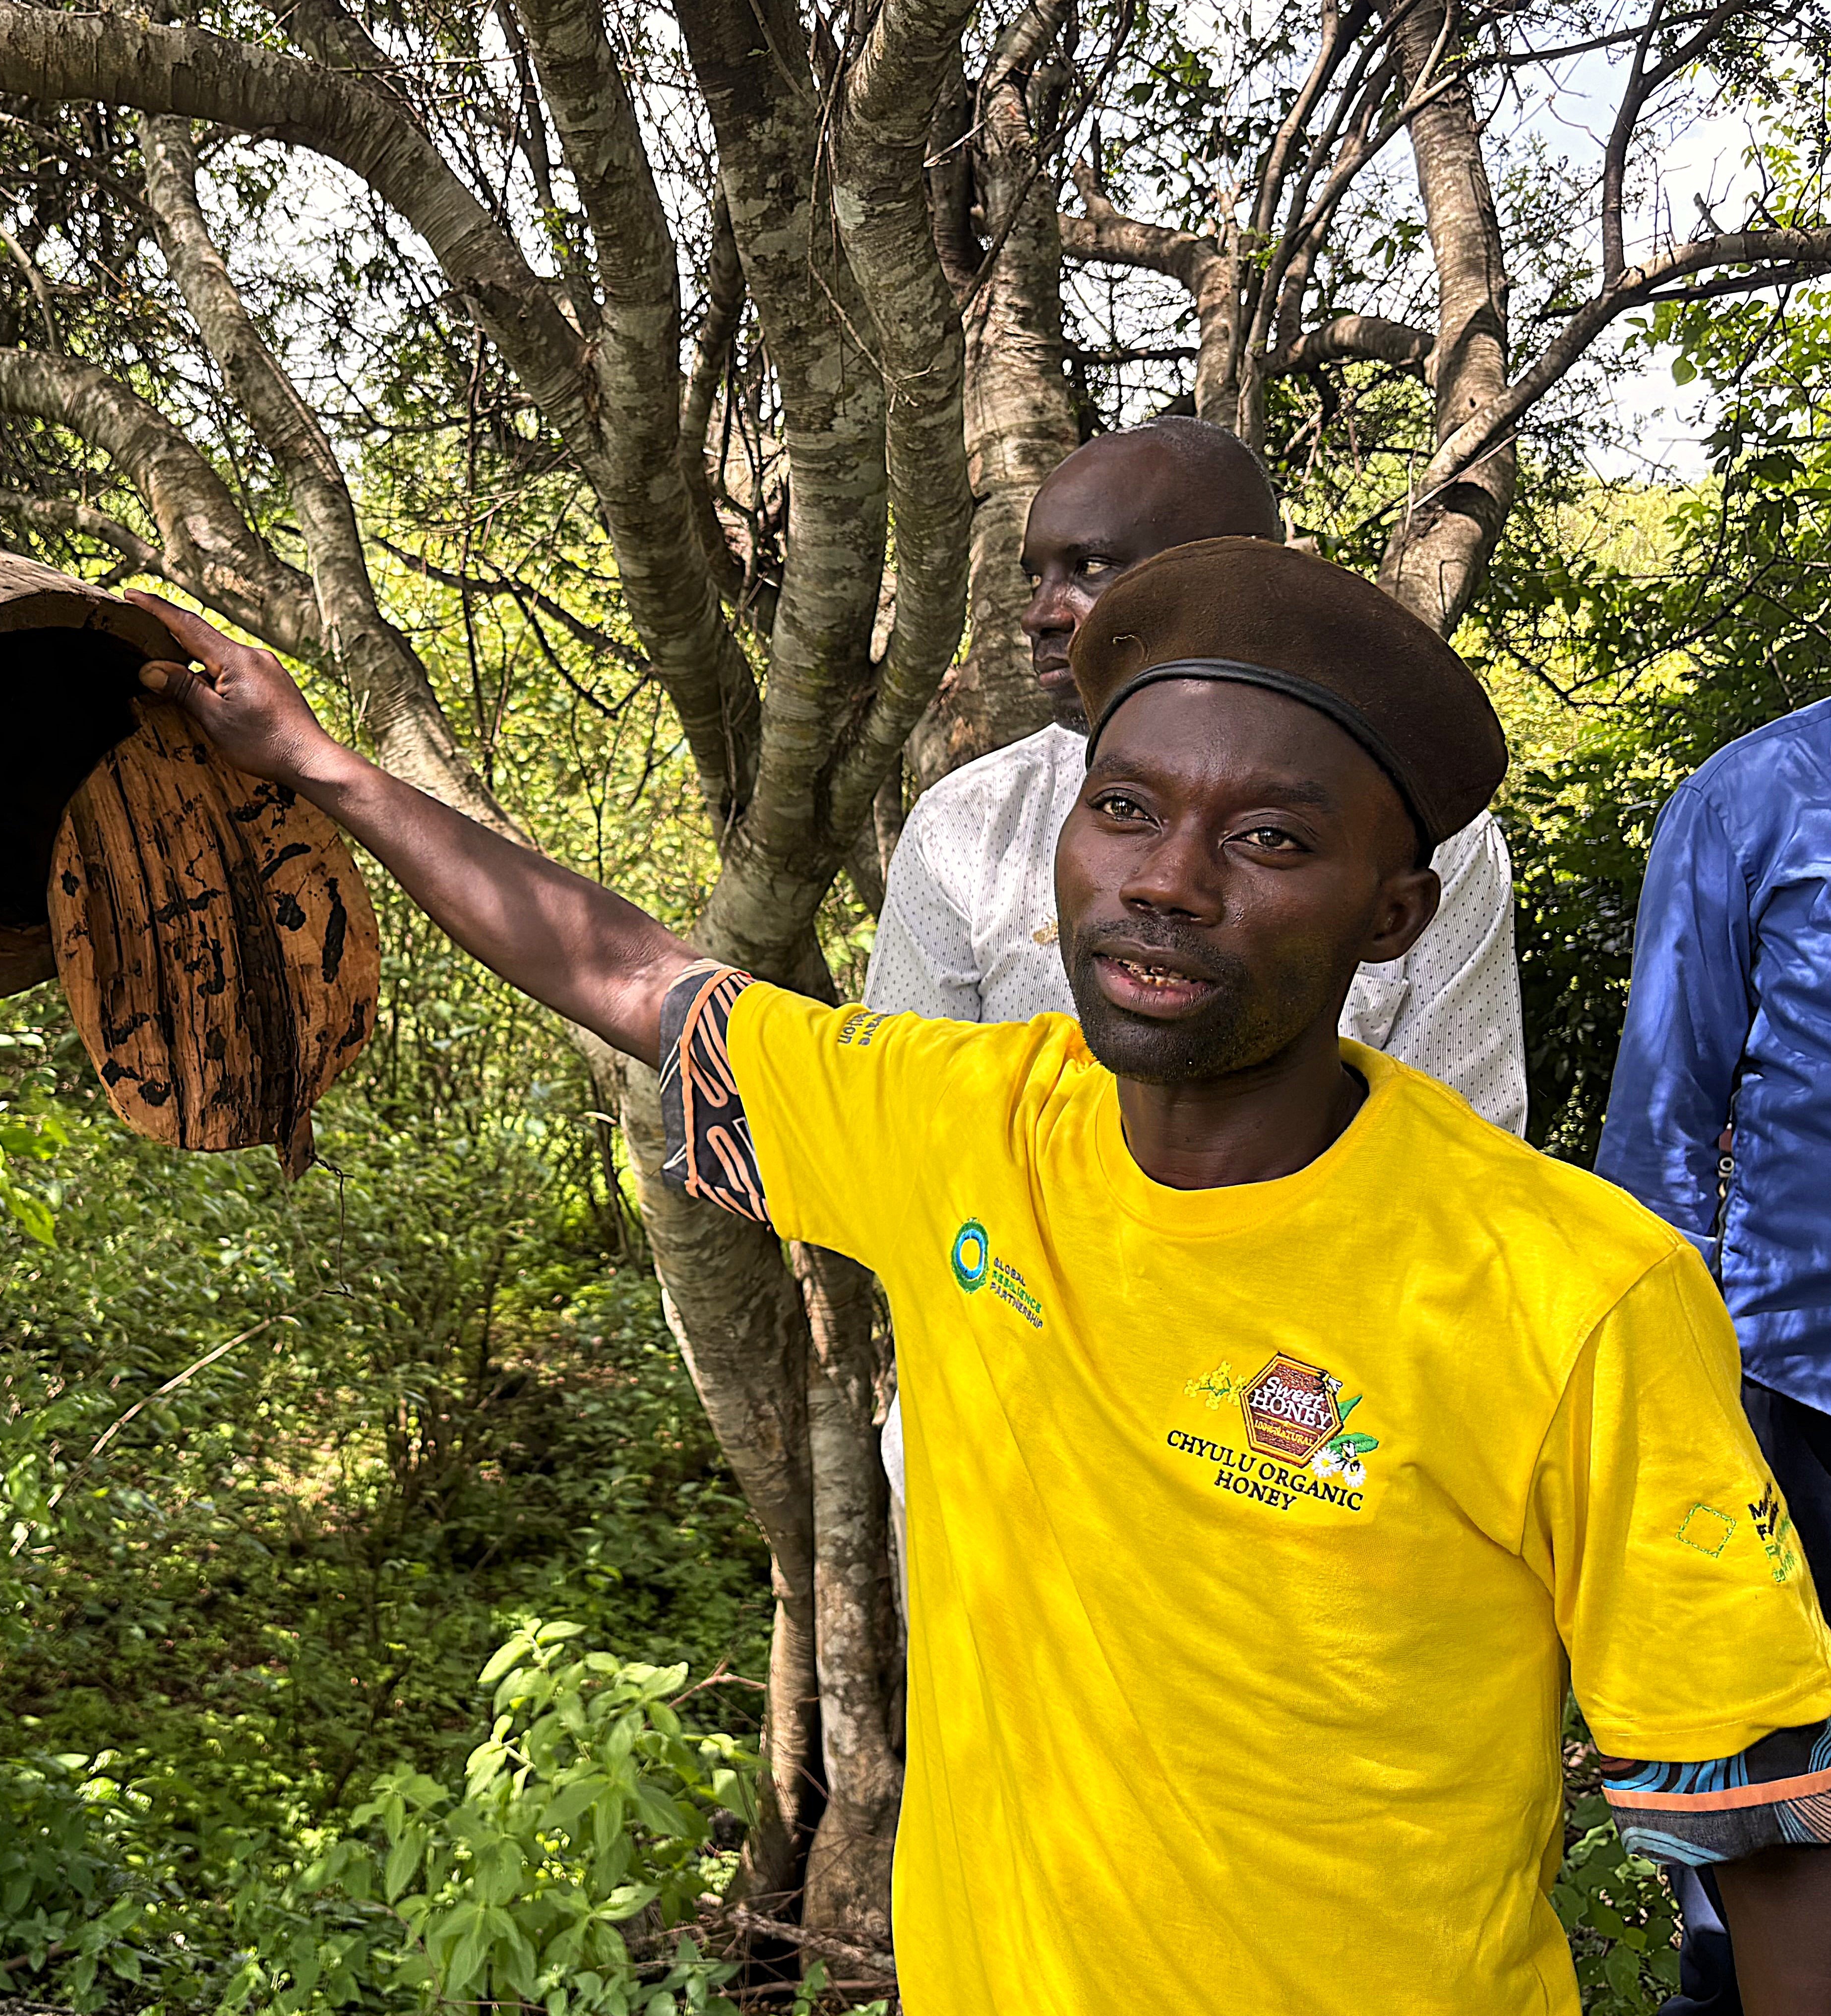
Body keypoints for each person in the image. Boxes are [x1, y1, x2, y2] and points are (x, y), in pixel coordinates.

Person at [121, 540, 1831, 2014]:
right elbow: (633, 977)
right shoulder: (963, 1125)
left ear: (1389, 918)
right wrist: (317, 763)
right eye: (1124, 807)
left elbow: (1763, 1816)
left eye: (1270, 842)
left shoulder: (1563, 1289)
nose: (1163, 878)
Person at [867, 418, 1526, 1528]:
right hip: (1005, 1449)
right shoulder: (968, 823)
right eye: (1036, 572)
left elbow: (1468, 1150)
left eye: (1092, 567)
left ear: (1238, 573)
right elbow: (909, 1138)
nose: (1042, 609)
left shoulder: (1423, 840)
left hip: (1297, 1452)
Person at [1596, 695, 1831, 2016]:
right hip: (1788, 1392)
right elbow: (1660, 1128)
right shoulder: (1754, 800)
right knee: (1765, 1832)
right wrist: (1672, 1403)